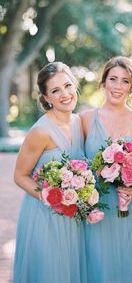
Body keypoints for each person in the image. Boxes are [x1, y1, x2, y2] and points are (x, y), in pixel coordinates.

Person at [13, 62, 87, 283]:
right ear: (46, 98)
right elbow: (19, 176)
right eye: (55, 90)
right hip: (45, 215)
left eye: (67, 86)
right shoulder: (40, 132)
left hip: (73, 216)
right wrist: (52, 197)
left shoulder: (78, 122)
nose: (65, 94)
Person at [80, 56, 132, 283]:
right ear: (103, 83)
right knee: (98, 267)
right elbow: (76, 164)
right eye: (113, 79)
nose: (118, 86)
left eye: (125, 81)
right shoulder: (85, 119)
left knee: (130, 266)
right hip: (96, 208)